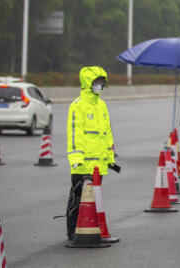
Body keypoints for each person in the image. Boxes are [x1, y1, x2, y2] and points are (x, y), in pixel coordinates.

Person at [66, 66, 119, 240]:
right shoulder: (77, 106)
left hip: (99, 165)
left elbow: (106, 135)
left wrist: (110, 159)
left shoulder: (102, 106)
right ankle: (73, 231)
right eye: (97, 82)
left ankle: (91, 230)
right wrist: (75, 158)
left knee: (94, 201)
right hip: (82, 165)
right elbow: (74, 135)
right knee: (77, 200)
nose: (100, 86)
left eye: (102, 83)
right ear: (88, 83)